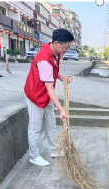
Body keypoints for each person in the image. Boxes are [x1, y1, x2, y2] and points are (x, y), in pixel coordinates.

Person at [24, 28, 74, 166]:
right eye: (66, 47)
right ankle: (34, 156)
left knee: (50, 123)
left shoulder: (54, 51)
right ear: (56, 42)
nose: (66, 50)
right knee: (35, 126)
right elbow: (50, 88)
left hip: (45, 95)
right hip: (35, 95)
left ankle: (55, 150)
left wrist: (62, 77)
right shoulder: (44, 59)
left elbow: (54, 70)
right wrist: (61, 109)